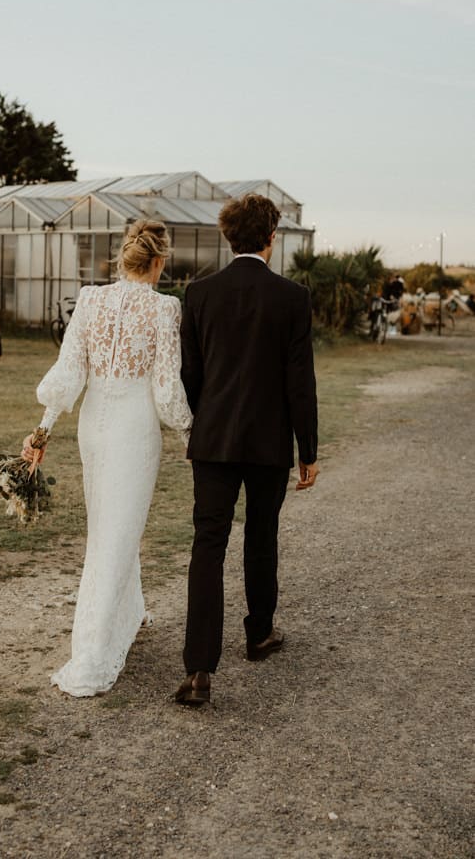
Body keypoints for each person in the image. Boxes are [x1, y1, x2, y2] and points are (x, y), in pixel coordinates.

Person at [22, 220, 193, 698]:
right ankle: (92, 654)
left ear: (123, 259)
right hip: (133, 429)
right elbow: (166, 390)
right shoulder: (164, 308)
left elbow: (69, 371)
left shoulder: (90, 299)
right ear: (159, 263)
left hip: (93, 428)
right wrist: (189, 429)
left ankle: (129, 611)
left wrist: (43, 430)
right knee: (116, 532)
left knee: (109, 526)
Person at [174, 193, 319, 707]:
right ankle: (259, 635)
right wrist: (308, 450)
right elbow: (300, 382)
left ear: (228, 236)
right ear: (272, 238)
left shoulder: (199, 294)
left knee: (207, 544)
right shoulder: (293, 297)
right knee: (261, 534)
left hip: (213, 440)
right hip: (268, 441)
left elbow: (190, 375)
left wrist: (201, 426)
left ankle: (198, 670)